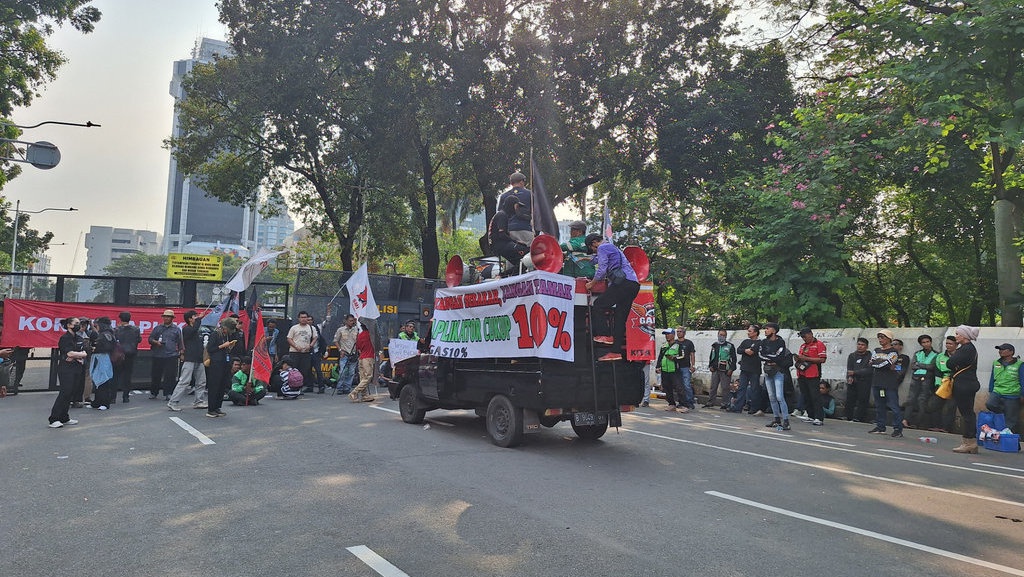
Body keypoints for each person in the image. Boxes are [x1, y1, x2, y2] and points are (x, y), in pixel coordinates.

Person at [584, 234, 641, 362]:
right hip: (633, 285)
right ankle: (615, 352)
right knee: (620, 318)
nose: (594, 251)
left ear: (594, 243)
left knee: (599, 304)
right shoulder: (612, 248)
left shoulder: (603, 247)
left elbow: (602, 269)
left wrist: (591, 284)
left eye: (592, 249)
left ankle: (605, 334)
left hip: (624, 283)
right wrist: (586, 259)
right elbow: (596, 260)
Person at [48, 317, 86, 428]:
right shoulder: (65, 338)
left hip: (77, 368)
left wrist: (79, 355)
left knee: (70, 393)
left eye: (79, 323)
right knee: (65, 392)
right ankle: (54, 419)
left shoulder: (78, 338)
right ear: (69, 325)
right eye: (76, 323)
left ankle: (64, 417)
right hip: (66, 369)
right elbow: (69, 354)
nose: (78, 325)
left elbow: (84, 351)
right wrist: (79, 354)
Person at [948, 325, 981, 453]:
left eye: (958, 334)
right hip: (966, 383)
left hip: (965, 384)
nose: (956, 336)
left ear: (964, 336)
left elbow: (950, 363)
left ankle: (969, 442)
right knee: (967, 413)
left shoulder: (966, 349)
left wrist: (953, 362)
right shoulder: (967, 349)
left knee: (967, 414)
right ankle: (968, 441)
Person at [167, 310, 208, 412]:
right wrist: (200, 319)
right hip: (190, 359)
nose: (197, 317)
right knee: (184, 381)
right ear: (190, 319)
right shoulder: (186, 329)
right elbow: (194, 329)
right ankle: (173, 402)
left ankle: (199, 401)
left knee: (201, 381)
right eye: (195, 316)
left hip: (199, 359)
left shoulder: (196, 330)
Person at [867, 329, 904, 437]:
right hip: (877, 381)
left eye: (883, 337)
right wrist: (878, 363)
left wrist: (877, 363)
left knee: (893, 406)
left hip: (889, 383)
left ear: (889, 339)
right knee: (879, 405)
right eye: (879, 337)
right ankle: (880, 426)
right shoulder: (876, 350)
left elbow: (886, 363)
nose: (880, 340)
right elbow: (871, 362)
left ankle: (897, 428)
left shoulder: (893, 352)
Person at [759, 322, 791, 430]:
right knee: (772, 397)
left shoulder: (780, 342)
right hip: (768, 372)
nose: (765, 330)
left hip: (778, 372)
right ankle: (776, 418)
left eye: (767, 329)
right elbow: (760, 355)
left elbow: (780, 356)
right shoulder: (763, 342)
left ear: (773, 330)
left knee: (779, 397)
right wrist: (771, 359)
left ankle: (786, 420)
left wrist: (770, 359)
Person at [204, 317, 238, 418]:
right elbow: (210, 348)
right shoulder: (215, 334)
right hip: (215, 363)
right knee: (214, 386)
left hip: (224, 362)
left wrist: (229, 346)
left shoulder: (226, 335)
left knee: (221, 386)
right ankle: (211, 409)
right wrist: (222, 346)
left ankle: (217, 407)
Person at [986, 343, 1022, 434]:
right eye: (999, 349)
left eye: (1003, 349)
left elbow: (1022, 379)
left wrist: (1022, 394)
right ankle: (1003, 411)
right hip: (997, 391)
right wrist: (991, 390)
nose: (1000, 351)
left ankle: (1010, 438)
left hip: (1012, 394)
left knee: (1011, 420)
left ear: (1011, 352)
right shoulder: (996, 362)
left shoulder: (1020, 364)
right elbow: (992, 377)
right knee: (990, 404)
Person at [487, 195, 530, 272]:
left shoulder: (501, 214)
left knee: (520, 261)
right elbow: (502, 234)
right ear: (511, 205)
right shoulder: (502, 215)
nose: (517, 209)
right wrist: (516, 242)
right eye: (517, 206)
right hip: (500, 245)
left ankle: (511, 274)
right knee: (526, 251)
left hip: (498, 245)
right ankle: (504, 275)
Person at [794, 327, 828, 426]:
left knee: (815, 396)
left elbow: (822, 359)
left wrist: (806, 358)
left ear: (810, 334)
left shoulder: (819, 344)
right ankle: (810, 415)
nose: (804, 339)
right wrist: (798, 358)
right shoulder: (803, 346)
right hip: (802, 373)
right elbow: (801, 358)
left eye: (805, 336)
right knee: (806, 395)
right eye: (802, 337)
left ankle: (819, 417)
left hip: (813, 373)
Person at [904, 334, 938, 429]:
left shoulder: (936, 354)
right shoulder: (918, 353)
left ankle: (918, 422)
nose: (926, 344)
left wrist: (920, 364)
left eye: (927, 342)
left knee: (922, 400)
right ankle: (905, 420)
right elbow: (913, 366)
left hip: (927, 379)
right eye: (923, 342)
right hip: (916, 378)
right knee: (911, 399)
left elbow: (932, 366)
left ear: (931, 342)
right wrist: (924, 366)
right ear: (921, 344)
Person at [149, 309, 183, 400]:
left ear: (172, 318)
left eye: (168, 317)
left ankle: (168, 393)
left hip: (171, 355)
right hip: (158, 354)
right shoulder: (158, 328)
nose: (166, 318)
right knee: (156, 375)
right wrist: (156, 342)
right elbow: (150, 339)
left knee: (170, 376)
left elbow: (180, 342)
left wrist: (181, 352)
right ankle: (154, 392)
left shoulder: (176, 329)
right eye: (165, 317)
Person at [87, 317, 117, 410]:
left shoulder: (106, 335)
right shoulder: (108, 334)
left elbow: (107, 347)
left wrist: (94, 349)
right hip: (101, 359)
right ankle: (97, 402)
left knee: (103, 381)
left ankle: (104, 403)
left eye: (97, 325)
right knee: (98, 380)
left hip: (103, 359)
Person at [497, 171, 534, 245]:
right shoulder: (530, 194)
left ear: (511, 183)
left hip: (510, 230)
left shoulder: (504, 196)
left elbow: (500, 214)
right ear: (521, 182)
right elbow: (536, 212)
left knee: (513, 253)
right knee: (527, 253)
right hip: (526, 228)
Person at [655, 329, 685, 413]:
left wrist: (674, 358)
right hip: (665, 370)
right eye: (665, 334)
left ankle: (683, 404)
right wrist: (658, 366)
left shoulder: (678, 345)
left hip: (674, 370)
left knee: (679, 387)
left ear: (673, 335)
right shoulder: (664, 346)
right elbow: (660, 357)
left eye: (668, 334)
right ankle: (671, 404)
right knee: (667, 387)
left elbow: (683, 356)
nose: (666, 336)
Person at [113, 311, 141, 403]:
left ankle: (113, 397)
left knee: (115, 376)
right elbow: (139, 340)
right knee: (127, 376)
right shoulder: (136, 329)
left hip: (119, 355)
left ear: (120, 319)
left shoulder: (116, 329)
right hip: (130, 354)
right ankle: (126, 397)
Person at [737, 325, 764, 416]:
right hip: (744, 368)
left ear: (755, 332)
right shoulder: (745, 341)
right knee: (741, 388)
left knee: (754, 389)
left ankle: (754, 408)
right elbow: (739, 350)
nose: (748, 333)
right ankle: (738, 406)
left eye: (750, 331)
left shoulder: (760, 343)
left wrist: (750, 351)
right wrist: (745, 350)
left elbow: (754, 351)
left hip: (754, 369)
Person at [706, 329, 736, 408]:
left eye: (723, 335)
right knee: (713, 387)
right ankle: (710, 402)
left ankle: (725, 403)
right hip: (715, 369)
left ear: (726, 336)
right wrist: (710, 366)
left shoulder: (730, 346)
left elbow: (734, 359)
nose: (721, 337)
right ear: (717, 335)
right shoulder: (714, 345)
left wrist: (731, 369)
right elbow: (711, 356)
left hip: (725, 370)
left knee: (725, 387)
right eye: (720, 335)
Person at [845, 337, 873, 422]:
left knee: (863, 400)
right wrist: (850, 377)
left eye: (862, 345)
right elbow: (849, 368)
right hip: (853, 381)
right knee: (850, 399)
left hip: (864, 381)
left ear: (866, 346)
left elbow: (869, 370)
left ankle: (859, 417)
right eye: (859, 344)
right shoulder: (852, 355)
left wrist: (855, 372)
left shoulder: (870, 356)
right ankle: (848, 416)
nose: (860, 346)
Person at [286, 311, 315, 393]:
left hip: (306, 353)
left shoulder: (311, 328)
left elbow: (315, 338)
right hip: (294, 352)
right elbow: (289, 338)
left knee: (304, 371)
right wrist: (295, 346)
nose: (304, 319)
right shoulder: (294, 328)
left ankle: (299, 388)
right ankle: (291, 387)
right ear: (298, 318)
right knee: (293, 370)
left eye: (305, 317)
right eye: (302, 317)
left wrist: (310, 345)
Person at [349, 322, 376, 402]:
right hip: (368, 357)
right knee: (368, 377)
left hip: (361, 357)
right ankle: (354, 392)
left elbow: (358, 347)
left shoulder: (360, 335)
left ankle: (364, 395)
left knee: (362, 377)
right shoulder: (371, 335)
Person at [333, 314, 359, 394]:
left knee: (351, 372)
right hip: (344, 353)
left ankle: (347, 388)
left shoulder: (356, 330)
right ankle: (340, 388)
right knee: (342, 372)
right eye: (350, 321)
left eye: (353, 321)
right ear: (346, 321)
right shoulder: (341, 330)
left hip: (354, 354)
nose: (352, 322)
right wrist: (340, 350)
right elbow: (335, 341)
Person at [674, 327, 697, 409]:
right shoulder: (674, 342)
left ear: (684, 333)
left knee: (687, 385)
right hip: (676, 367)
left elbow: (692, 354)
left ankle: (690, 402)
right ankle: (681, 401)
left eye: (681, 331)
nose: (679, 333)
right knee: (679, 386)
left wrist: (693, 365)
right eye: (678, 331)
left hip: (685, 367)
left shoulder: (689, 343)